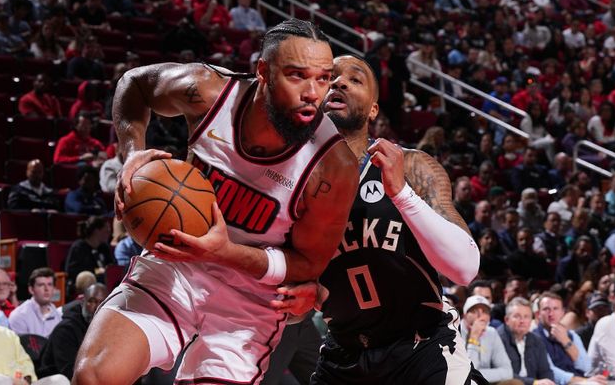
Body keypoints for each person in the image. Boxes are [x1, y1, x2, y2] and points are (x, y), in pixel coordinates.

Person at [73, 19, 359, 385]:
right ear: (263, 72)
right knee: (95, 375)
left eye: (322, 79)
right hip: (175, 267)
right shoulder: (209, 92)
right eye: (297, 76)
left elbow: (307, 265)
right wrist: (131, 153)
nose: (312, 93)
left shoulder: (333, 167)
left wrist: (223, 252)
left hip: (250, 300)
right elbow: (135, 84)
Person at [273, 55, 482, 384]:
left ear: (373, 110)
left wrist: (401, 193)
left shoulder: (410, 166)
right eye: (331, 78)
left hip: (421, 346)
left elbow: (465, 267)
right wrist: (302, 298)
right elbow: (292, 286)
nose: (339, 83)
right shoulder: (287, 183)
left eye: (354, 80)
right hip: (344, 352)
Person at [37, 284, 108, 380]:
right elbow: (70, 372)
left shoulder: (106, 329)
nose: (97, 308)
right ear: (82, 302)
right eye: (92, 301)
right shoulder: (65, 330)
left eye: (102, 303)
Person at [534, 291, 595, 384]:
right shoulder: (534, 338)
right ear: (538, 314)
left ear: (563, 312)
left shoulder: (572, 335)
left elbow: (586, 367)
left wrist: (566, 341)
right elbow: (550, 371)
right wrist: (584, 381)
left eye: (555, 308)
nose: (551, 313)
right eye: (546, 309)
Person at [460, 295, 519, 385]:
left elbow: (508, 371)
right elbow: (465, 375)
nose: (480, 316)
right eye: (474, 311)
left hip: (485, 382)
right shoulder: (455, 333)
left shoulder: (491, 333)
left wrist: (479, 374)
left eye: (485, 311)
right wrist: (474, 338)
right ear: (464, 315)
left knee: (515, 383)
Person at [498, 297, 555, 385]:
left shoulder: (536, 340)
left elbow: (545, 371)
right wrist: (534, 382)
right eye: (517, 316)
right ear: (507, 320)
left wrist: (548, 382)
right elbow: (503, 374)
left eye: (526, 317)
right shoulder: (498, 339)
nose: (522, 321)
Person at [64, 217, 113, 298]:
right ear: (96, 231)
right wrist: (97, 271)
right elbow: (73, 272)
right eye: (106, 230)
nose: (109, 233)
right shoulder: (79, 247)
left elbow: (110, 266)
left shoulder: (104, 248)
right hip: (85, 285)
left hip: (103, 284)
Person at [8, 267, 61, 337]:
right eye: (41, 285)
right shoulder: (19, 316)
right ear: (31, 289)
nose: (46, 289)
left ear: (54, 289)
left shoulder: (58, 316)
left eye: (50, 284)